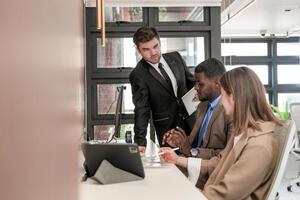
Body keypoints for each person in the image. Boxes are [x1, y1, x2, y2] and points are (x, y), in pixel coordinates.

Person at [160, 67, 283, 200]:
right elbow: (218, 163)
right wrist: (177, 159)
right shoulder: (244, 132)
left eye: (223, 96)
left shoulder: (259, 146)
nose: (221, 103)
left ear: (235, 97)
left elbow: (227, 193)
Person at [162, 58, 231, 189]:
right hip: (191, 163)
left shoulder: (230, 111)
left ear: (218, 84)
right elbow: (198, 142)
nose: (195, 88)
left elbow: (227, 156)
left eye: (200, 84)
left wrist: (190, 151)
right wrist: (178, 142)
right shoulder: (202, 106)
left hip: (209, 174)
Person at [129, 26, 195, 152]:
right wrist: (140, 141)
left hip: (193, 122)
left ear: (159, 41)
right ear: (139, 50)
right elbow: (142, 110)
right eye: (146, 49)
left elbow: (192, 84)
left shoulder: (176, 57)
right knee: (176, 168)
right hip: (169, 132)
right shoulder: (138, 75)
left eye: (155, 46)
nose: (153, 52)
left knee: (199, 161)